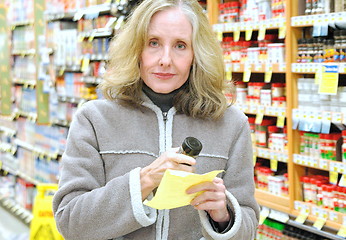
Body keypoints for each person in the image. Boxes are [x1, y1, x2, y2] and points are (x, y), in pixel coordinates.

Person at [52, 0, 259, 239]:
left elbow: (249, 228)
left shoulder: (231, 124)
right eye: (153, 43)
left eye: (180, 45)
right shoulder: (94, 120)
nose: (165, 60)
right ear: (136, 49)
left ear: (196, 54)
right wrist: (145, 180)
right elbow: (70, 223)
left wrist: (223, 216)